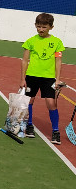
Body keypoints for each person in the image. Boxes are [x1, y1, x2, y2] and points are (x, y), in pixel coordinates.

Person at [21, 12, 64, 144]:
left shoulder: (57, 42)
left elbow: (58, 62)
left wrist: (57, 79)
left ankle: (55, 131)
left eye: (44, 27)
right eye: (38, 26)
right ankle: (29, 125)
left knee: (51, 103)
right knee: (29, 101)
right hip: (32, 76)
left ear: (51, 27)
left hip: (49, 78)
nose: (41, 29)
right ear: (35, 25)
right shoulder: (30, 41)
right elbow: (25, 61)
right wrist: (22, 79)